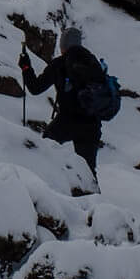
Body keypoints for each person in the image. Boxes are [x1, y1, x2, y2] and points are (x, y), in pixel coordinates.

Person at [20, 27, 104, 180]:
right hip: (92, 124)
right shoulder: (93, 63)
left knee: (44, 149)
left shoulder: (59, 64)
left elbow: (35, 88)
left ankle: (45, 185)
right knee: (88, 171)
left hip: (67, 120)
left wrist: (26, 67)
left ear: (63, 45)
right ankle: (91, 199)